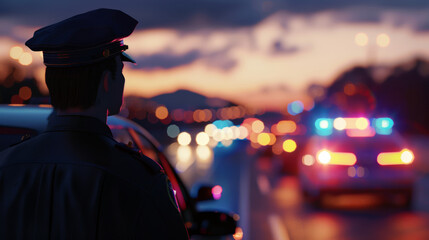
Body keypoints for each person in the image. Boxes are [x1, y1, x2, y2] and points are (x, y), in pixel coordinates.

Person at [0, 9, 189, 239]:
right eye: (119, 71)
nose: (122, 80)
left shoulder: (6, 167)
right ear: (107, 82)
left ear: (51, 84)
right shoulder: (139, 180)